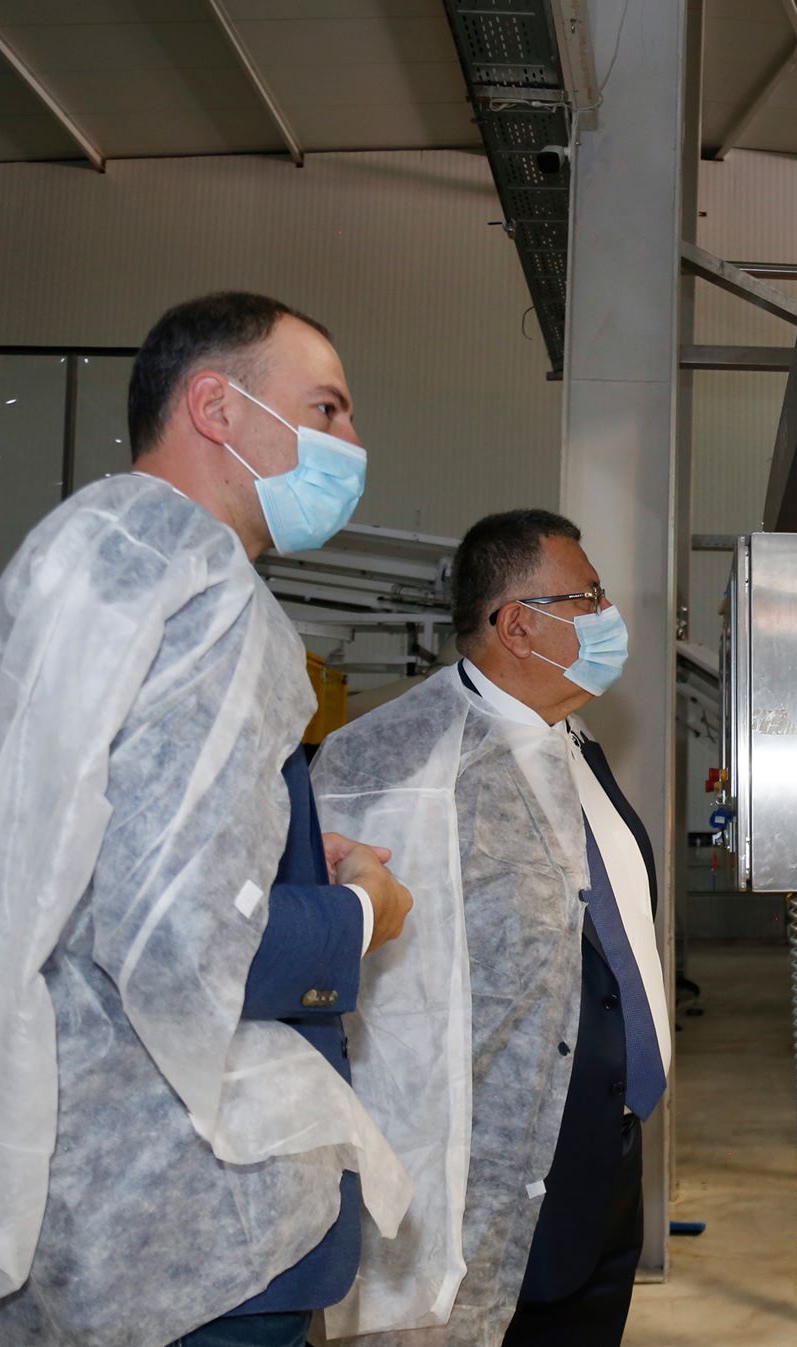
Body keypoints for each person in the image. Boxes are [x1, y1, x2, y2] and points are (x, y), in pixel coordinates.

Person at [0, 292, 417, 1347]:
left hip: (50, 1183)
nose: (352, 442)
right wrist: (359, 911)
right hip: (181, 1232)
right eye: (327, 408)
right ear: (217, 407)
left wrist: (288, 855)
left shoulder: (86, 556)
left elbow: (92, 862)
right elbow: (187, 945)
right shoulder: (207, 597)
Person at [312, 509, 671, 1347]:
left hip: (606, 1161)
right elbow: (353, 986)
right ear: (517, 624)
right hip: (485, 1182)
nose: (609, 616)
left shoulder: (573, 742)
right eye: (589, 598)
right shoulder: (392, 762)